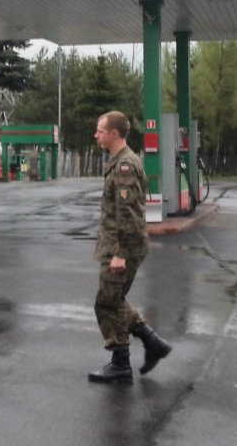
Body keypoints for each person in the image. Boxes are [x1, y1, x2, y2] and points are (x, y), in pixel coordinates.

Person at [88, 111, 172, 384]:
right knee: (113, 300)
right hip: (118, 245)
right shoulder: (121, 161)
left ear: (114, 133)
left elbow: (129, 215)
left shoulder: (125, 166)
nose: (96, 135)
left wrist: (120, 254)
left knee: (107, 303)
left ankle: (122, 362)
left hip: (122, 248)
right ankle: (150, 344)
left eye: (100, 130)